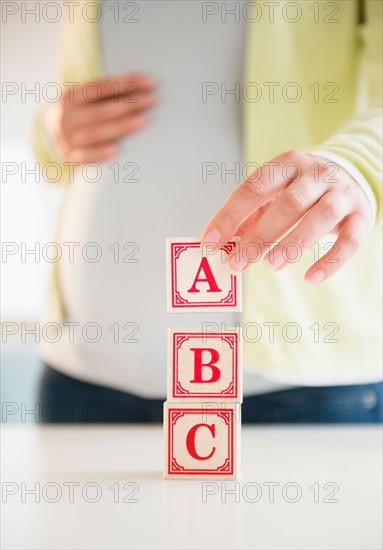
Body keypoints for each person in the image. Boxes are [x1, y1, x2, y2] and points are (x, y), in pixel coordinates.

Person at [32, 0, 382, 423]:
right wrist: (52, 131)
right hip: (81, 375)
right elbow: (62, 133)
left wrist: (360, 164)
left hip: (294, 390)